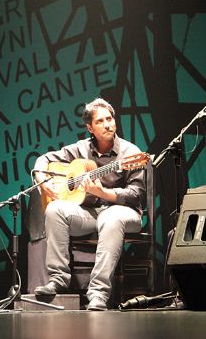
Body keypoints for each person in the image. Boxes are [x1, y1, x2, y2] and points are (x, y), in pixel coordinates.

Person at [32, 98, 146, 310]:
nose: (108, 124)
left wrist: (104, 193)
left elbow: (136, 195)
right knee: (55, 209)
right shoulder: (80, 149)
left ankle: (98, 293)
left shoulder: (130, 153)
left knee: (110, 218)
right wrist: (40, 179)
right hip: (92, 214)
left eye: (110, 119)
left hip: (124, 214)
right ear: (90, 128)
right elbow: (43, 160)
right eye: (101, 121)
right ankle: (58, 279)